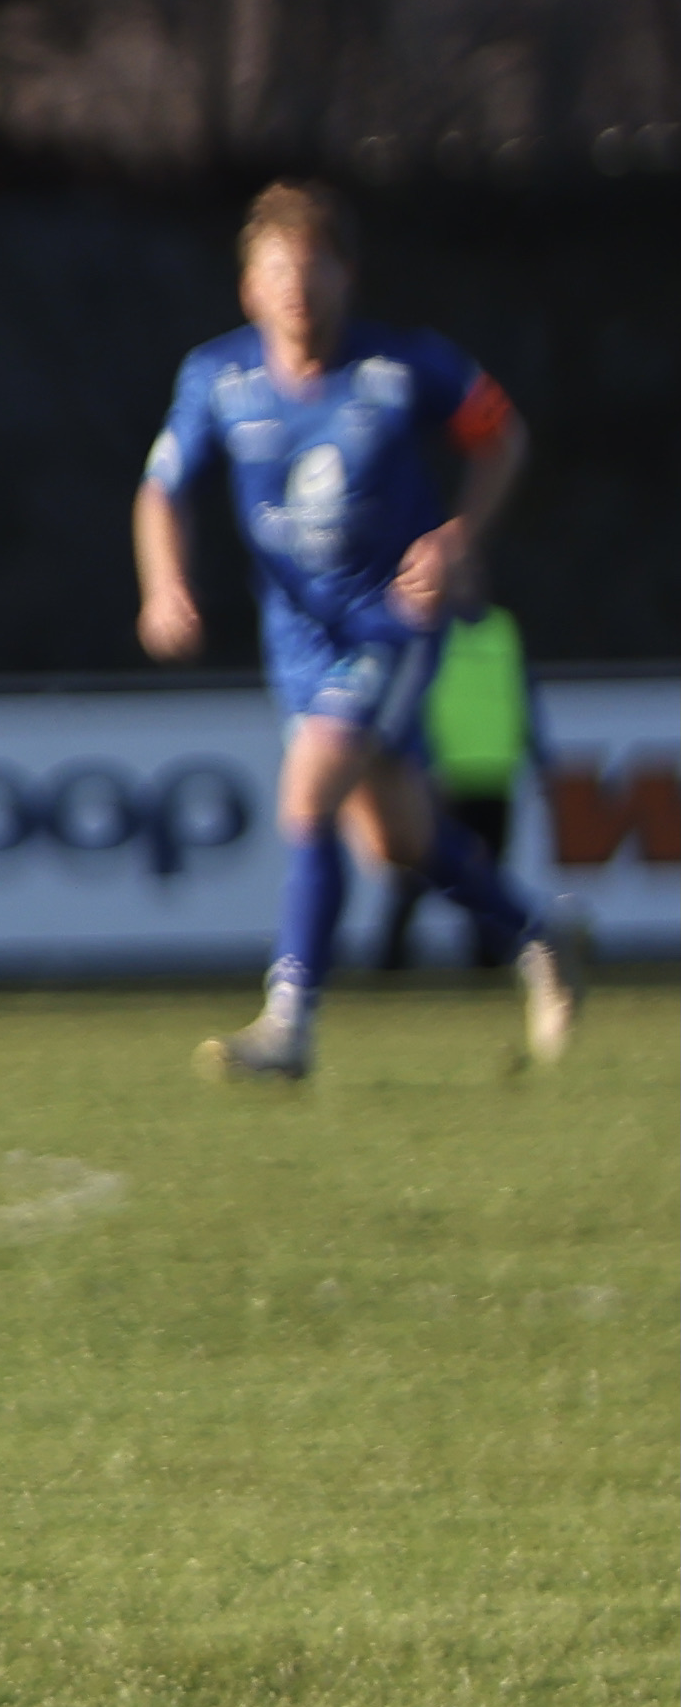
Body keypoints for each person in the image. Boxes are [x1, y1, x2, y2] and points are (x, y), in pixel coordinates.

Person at [137, 182, 577, 1077]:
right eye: (276, 272)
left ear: (346, 275)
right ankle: (536, 936)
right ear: (247, 288)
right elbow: (160, 491)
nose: (296, 289)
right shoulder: (216, 378)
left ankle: (288, 1024)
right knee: (395, 844)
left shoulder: (403, 366)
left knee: (308, 790)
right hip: (297, 637)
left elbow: (501, 436)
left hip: (393, 620)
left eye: (312, 269)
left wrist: (456, 536)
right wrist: (163, 584)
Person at [374, 603, 528, 978]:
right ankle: (390, 961)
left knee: (485, 869)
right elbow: (411, 699)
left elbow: (521, 690)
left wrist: (537, 752)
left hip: (494, 769)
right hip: (444, 772)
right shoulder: (425, 626)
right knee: (420, 866)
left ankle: (487, 961)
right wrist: (422, 761)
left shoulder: (501, 626)